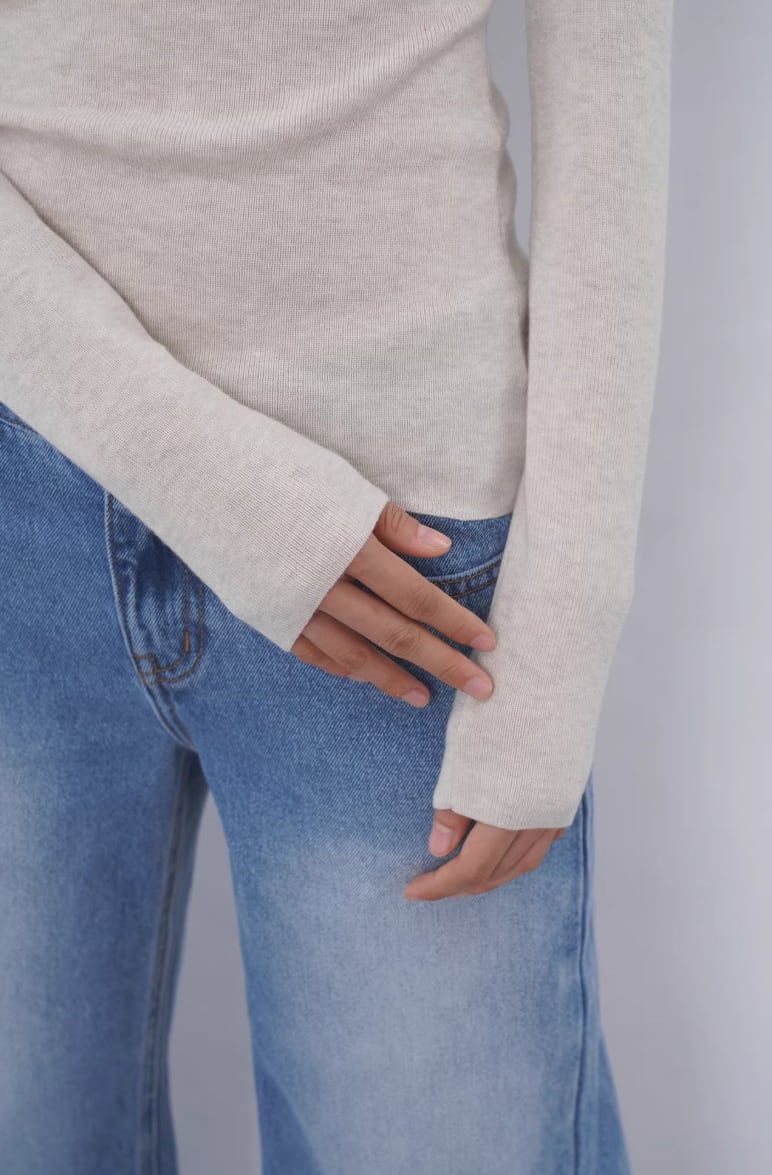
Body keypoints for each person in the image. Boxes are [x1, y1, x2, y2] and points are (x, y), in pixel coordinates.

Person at [0, 1, 673, 1172]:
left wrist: (558, 640)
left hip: (402, 558)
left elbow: (609, 123)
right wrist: (208, 481)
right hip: (25, 459)